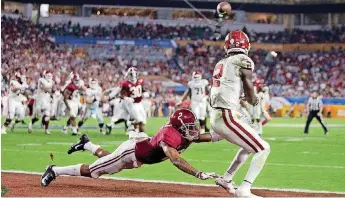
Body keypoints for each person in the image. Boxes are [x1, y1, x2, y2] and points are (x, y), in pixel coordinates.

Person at [40, 109, 219, 187]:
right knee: (94, 170)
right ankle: (54, 170)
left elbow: (207, 137)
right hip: (131, 152)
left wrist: (232, 132)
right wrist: (198, 174)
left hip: (140, 151)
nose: (195, 130)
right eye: (190, 126)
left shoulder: (183, 132)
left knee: (108, 160)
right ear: (179, 128)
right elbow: (176, 160)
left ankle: (87, 144)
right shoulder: (168, 137)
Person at [209, 30, 271, 197]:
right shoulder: (243, 60)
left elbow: (225, 88)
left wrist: (239, 96)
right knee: (264, 148)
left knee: (249, 146)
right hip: (226, 116)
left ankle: (227, 178)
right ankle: (244, 189)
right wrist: (255, 100)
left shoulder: (221, 62)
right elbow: (251, 94)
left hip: (218, 114)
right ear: (247, 45)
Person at [28, 70, 54, 135]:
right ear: (44, 75)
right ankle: (31, 122)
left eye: (50, 75)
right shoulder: (41, 80)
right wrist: (49, 90)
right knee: (37, 117)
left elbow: (50, 89)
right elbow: (44, 88)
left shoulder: (51, 82)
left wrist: (50, 92)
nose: (49, 77)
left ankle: (46, 129)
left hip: (47, 100)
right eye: (48, 75)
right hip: (40, 100)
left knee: (47, 115)